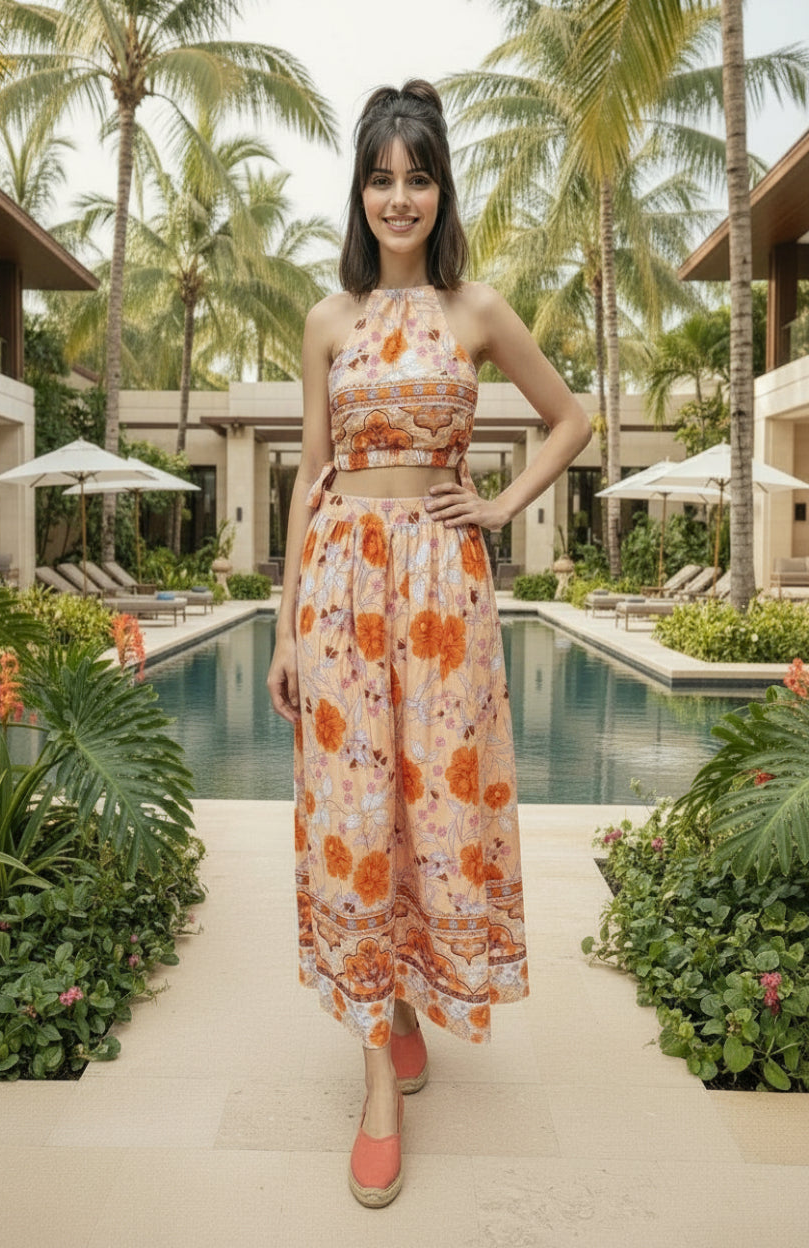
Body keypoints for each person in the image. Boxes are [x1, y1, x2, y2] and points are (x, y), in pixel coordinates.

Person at [267, 79, 591, 1208]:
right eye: (379, 177)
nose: (397, 197)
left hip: (445, 596)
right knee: (355, 822)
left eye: (416, 177)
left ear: (442, 190)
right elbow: (310, 479)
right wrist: (284, 628)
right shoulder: (328, 321)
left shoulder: (476, 310)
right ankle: (376, 1079)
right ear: (358, 192)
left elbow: (572, 418)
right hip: (341, 590)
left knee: (431, 811)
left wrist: (498, 507)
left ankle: (408, 997)